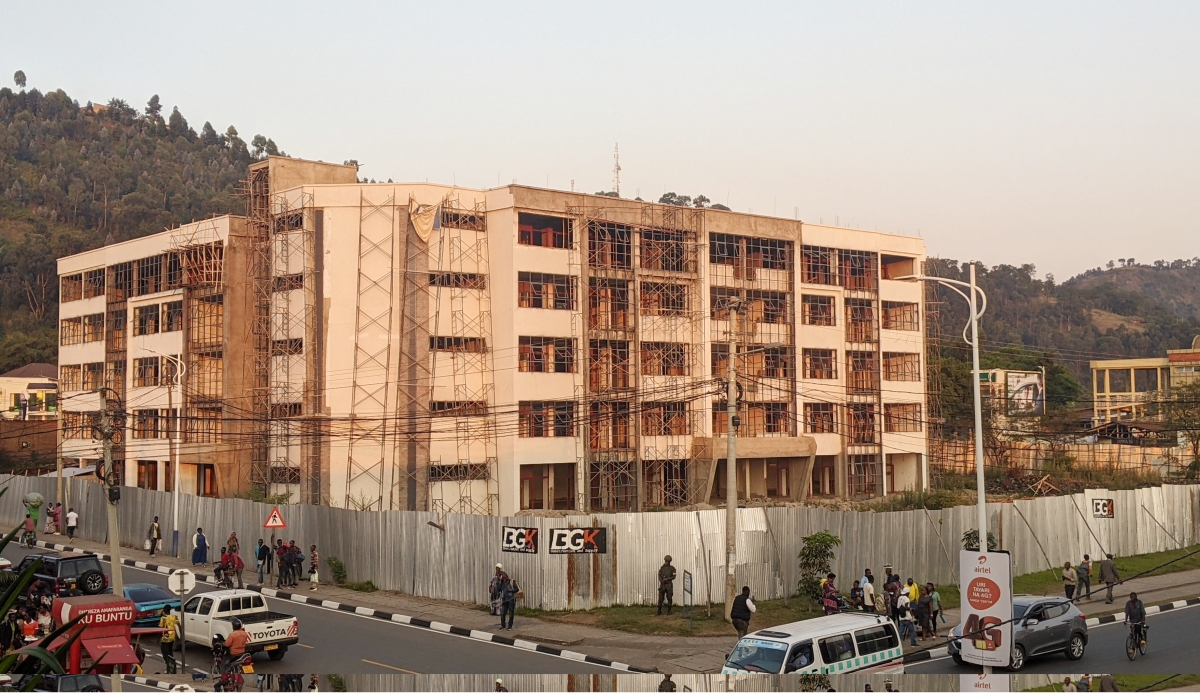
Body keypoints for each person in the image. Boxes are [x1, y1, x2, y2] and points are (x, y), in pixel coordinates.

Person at [160, 607, 179, 673]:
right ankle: (171, 667)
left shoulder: (163, 618)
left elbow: (161, 628)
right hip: (172, 637)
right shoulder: (174, 617)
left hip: (165, 638)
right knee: (170, 653)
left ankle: (168, 667)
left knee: (165, 653)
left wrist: (158, 638)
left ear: (164, 611)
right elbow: (178, 625)